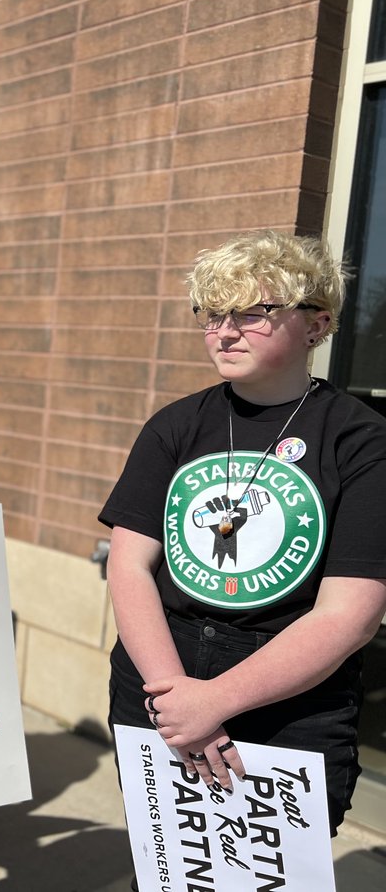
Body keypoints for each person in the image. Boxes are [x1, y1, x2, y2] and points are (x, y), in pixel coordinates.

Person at [100, 230, 386, 886]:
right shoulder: (177, 424)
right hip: (159, 684)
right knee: (176, 868)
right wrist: (179, 701)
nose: (224, 332)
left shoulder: (360, 440)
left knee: (266, 877)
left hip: (293, 702)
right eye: (213, 313)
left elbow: (351, 615)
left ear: (316, 325)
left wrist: (217, 702)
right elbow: (129, 564)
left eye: (251, 314)